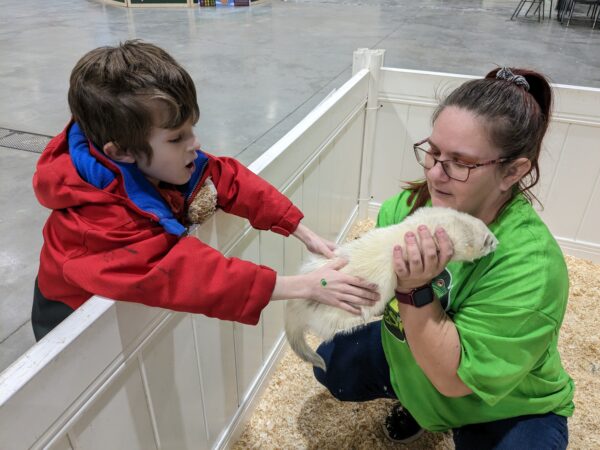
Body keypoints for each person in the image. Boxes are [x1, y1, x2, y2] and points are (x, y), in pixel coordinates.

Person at [31, 40, 380, 341]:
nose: (195, 144)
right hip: (67, 315)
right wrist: (305, 285)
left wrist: (301, 231)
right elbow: (184, 272)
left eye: (191, 129)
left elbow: (225, 177)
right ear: (120, 152)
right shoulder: (97, 223)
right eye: (177, 138)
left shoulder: (149, 157)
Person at [312, 67, 574, 449]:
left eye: (460, 162)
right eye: (433, 152)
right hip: (418, 350)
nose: (435, 173)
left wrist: (416, 288)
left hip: (502, 404)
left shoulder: (533, 267)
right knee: (331, 364)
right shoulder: (405, 208)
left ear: (512, 171)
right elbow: (368, 290)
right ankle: (418, 403)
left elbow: (455, 379)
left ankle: (465, 422)